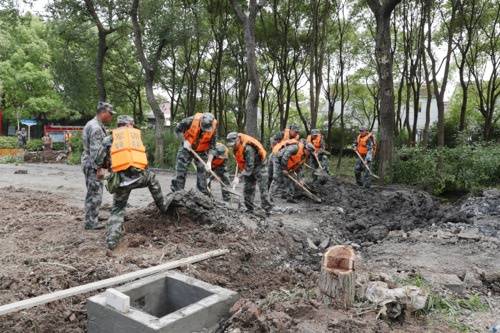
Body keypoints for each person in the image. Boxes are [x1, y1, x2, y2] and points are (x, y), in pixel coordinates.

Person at [95, 115, 167, 249]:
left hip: (121, 182)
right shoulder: (135, 136)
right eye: (132, 124)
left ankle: (112, 240)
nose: (133, 127)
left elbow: (100, 160)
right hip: (140, 178)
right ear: (129, 125)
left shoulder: (109, 139)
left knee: (118, 210)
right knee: (153, 179)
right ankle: (163, 207)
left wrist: (100, 170)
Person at [81, 102, 115, 230]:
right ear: (103, 113)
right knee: (95, 193)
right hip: (93, 164)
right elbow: (96, 153)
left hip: (89, 162)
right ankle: (91, 222)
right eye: (110, 114)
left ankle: (92, 216)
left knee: (92, 192)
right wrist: (100, 168)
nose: (111, 117)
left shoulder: (93, 124)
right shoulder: (96, 128)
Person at [171, 112, 217, 196]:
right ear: (200, 121)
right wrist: (184, 141)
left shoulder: (213, 127)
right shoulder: (190, 120)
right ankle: (177, 193)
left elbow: (213, 147)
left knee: (203, 171)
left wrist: (209, 162)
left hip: (202, 150)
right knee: (181, 169)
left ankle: (202, 195)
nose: (204, 130)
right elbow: (177, 130)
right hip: (187, 146)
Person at [226, 132, 272, 213]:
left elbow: (249, 168)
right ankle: (249, 209)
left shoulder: (248, 148)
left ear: (237, 140)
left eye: (233, 144)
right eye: (230, 145)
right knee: (247, 189)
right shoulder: (235, 148)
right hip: (248, 166)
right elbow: (241, 162)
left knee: (263, 189)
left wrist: (238, 177)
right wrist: (239, 173)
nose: (232, 146)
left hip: (259, 166)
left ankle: (267, 209)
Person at [268, 124, 300, 188]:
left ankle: (278, 188)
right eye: (295, 132)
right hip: (275, 154)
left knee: (278, 174)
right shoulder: (282, 134)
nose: (296, 133)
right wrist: (275, 148)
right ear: (291, 130)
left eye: (297, 132)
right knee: (270, 173)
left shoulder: (295, 138)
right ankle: (268, 187)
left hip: (284, 156)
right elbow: (272, 139)